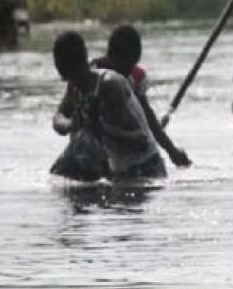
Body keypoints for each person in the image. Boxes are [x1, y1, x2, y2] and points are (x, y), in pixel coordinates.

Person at [51, 31, 167, 180]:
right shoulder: (74, 85)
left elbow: (140, 140)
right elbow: (58, 118)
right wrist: (72, 124)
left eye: (75, 72)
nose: (74, 79)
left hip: (145, 169)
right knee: (68, 163)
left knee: (86, 140)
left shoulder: (109, 85)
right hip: (117, 172)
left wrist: (102, 129)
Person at [92, 25, 191, 168]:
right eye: (126, 66)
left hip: (125, 147)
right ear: (112, 55)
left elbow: (147, 117)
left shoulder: (135, 78)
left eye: (132, 65)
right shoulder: (91, 75)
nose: (127, 72)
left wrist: (172, 151)